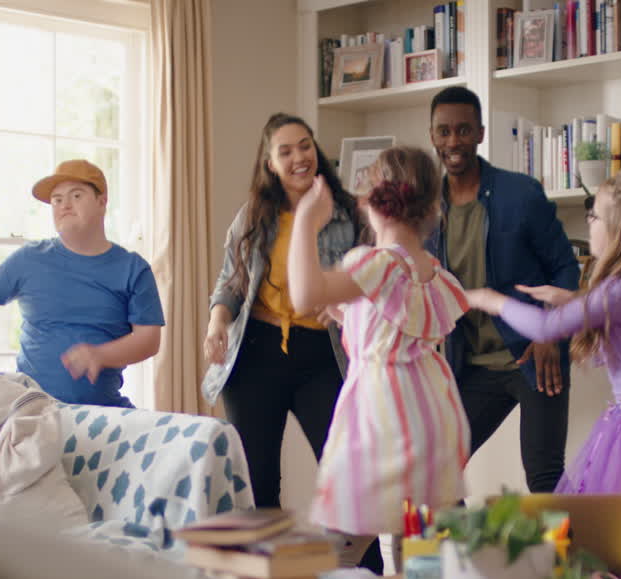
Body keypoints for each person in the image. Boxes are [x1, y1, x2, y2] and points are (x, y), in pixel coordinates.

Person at [464, 172, 621, 530]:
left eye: (594, 215)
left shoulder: (615, 292)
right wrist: (572, 299)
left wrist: (489, 299)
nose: (589, 222)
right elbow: (618, 320)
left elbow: (546, 328)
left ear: (619, 228)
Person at [288, 146, 470, 537]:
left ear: (372, 201)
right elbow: (399, 325)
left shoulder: (376, 263)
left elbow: (304, 294)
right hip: (430, 412)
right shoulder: (431, 271)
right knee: (420, 545)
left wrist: (304, 220)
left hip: (383, 414)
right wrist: (346, 316)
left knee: (343, 535)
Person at [201, 113, 363, 514]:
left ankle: (366, 574)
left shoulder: (349, 214)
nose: (298, 158)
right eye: (285, 151)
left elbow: (373, 276)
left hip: (324, 357)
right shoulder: (253, 217)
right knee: (257, 484)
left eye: (305, 146)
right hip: (256, 353)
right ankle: (268, 574)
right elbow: (231, 281)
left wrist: (348, 307)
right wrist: (217, 321)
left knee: (345, 474)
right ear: (270, 164)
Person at [426, 86, 581, 494]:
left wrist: (550, 331)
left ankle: (564, 560)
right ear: (432, 137)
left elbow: (566, 268)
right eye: (444, 132)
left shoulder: (520, 193)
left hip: (534, 357)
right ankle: (455, 556)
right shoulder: (427, 210)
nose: (453, 141)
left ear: (479, 133)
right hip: (471, 365)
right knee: (434, 471)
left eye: (463, 130)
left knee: (544, 478)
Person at [0, 159, 163, 407]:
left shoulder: (133, 269)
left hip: (101, 413)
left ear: (102, 202)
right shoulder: (29, 259)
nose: (64, 205)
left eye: (76, 195)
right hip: (31, 410)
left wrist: (99, 355)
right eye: (57, 200)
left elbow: (149, 339)